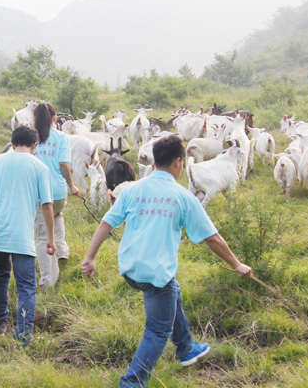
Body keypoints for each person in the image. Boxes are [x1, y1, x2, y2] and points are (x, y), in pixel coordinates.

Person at [80, 135, 253, 388]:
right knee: (158, 330)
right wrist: (237, 265)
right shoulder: (181, 196)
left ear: (153, 162)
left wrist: (89, 257)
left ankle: (186, 348)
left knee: (173, 290)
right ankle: (132, 382)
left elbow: (107, 222)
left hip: (130, 270)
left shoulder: (133, 189)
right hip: (155, 275)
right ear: (178, 163)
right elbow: (213, 238)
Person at [0, 125, 55, 346]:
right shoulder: (39, 167)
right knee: (26, 286)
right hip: (22, 236)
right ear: (34, 146)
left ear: (12, 143)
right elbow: (47, 206)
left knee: (0, 275)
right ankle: (23, 336)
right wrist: (50, 237)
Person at [33, 103, 79, 287]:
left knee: (43, 235)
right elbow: (63, 164)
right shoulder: (61, 137)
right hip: (58, 192)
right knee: (57, 215)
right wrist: (71, 185)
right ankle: (61, 251)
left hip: (39, 193)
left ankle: (47, 281)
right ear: (54, 119)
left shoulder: (30, 137)